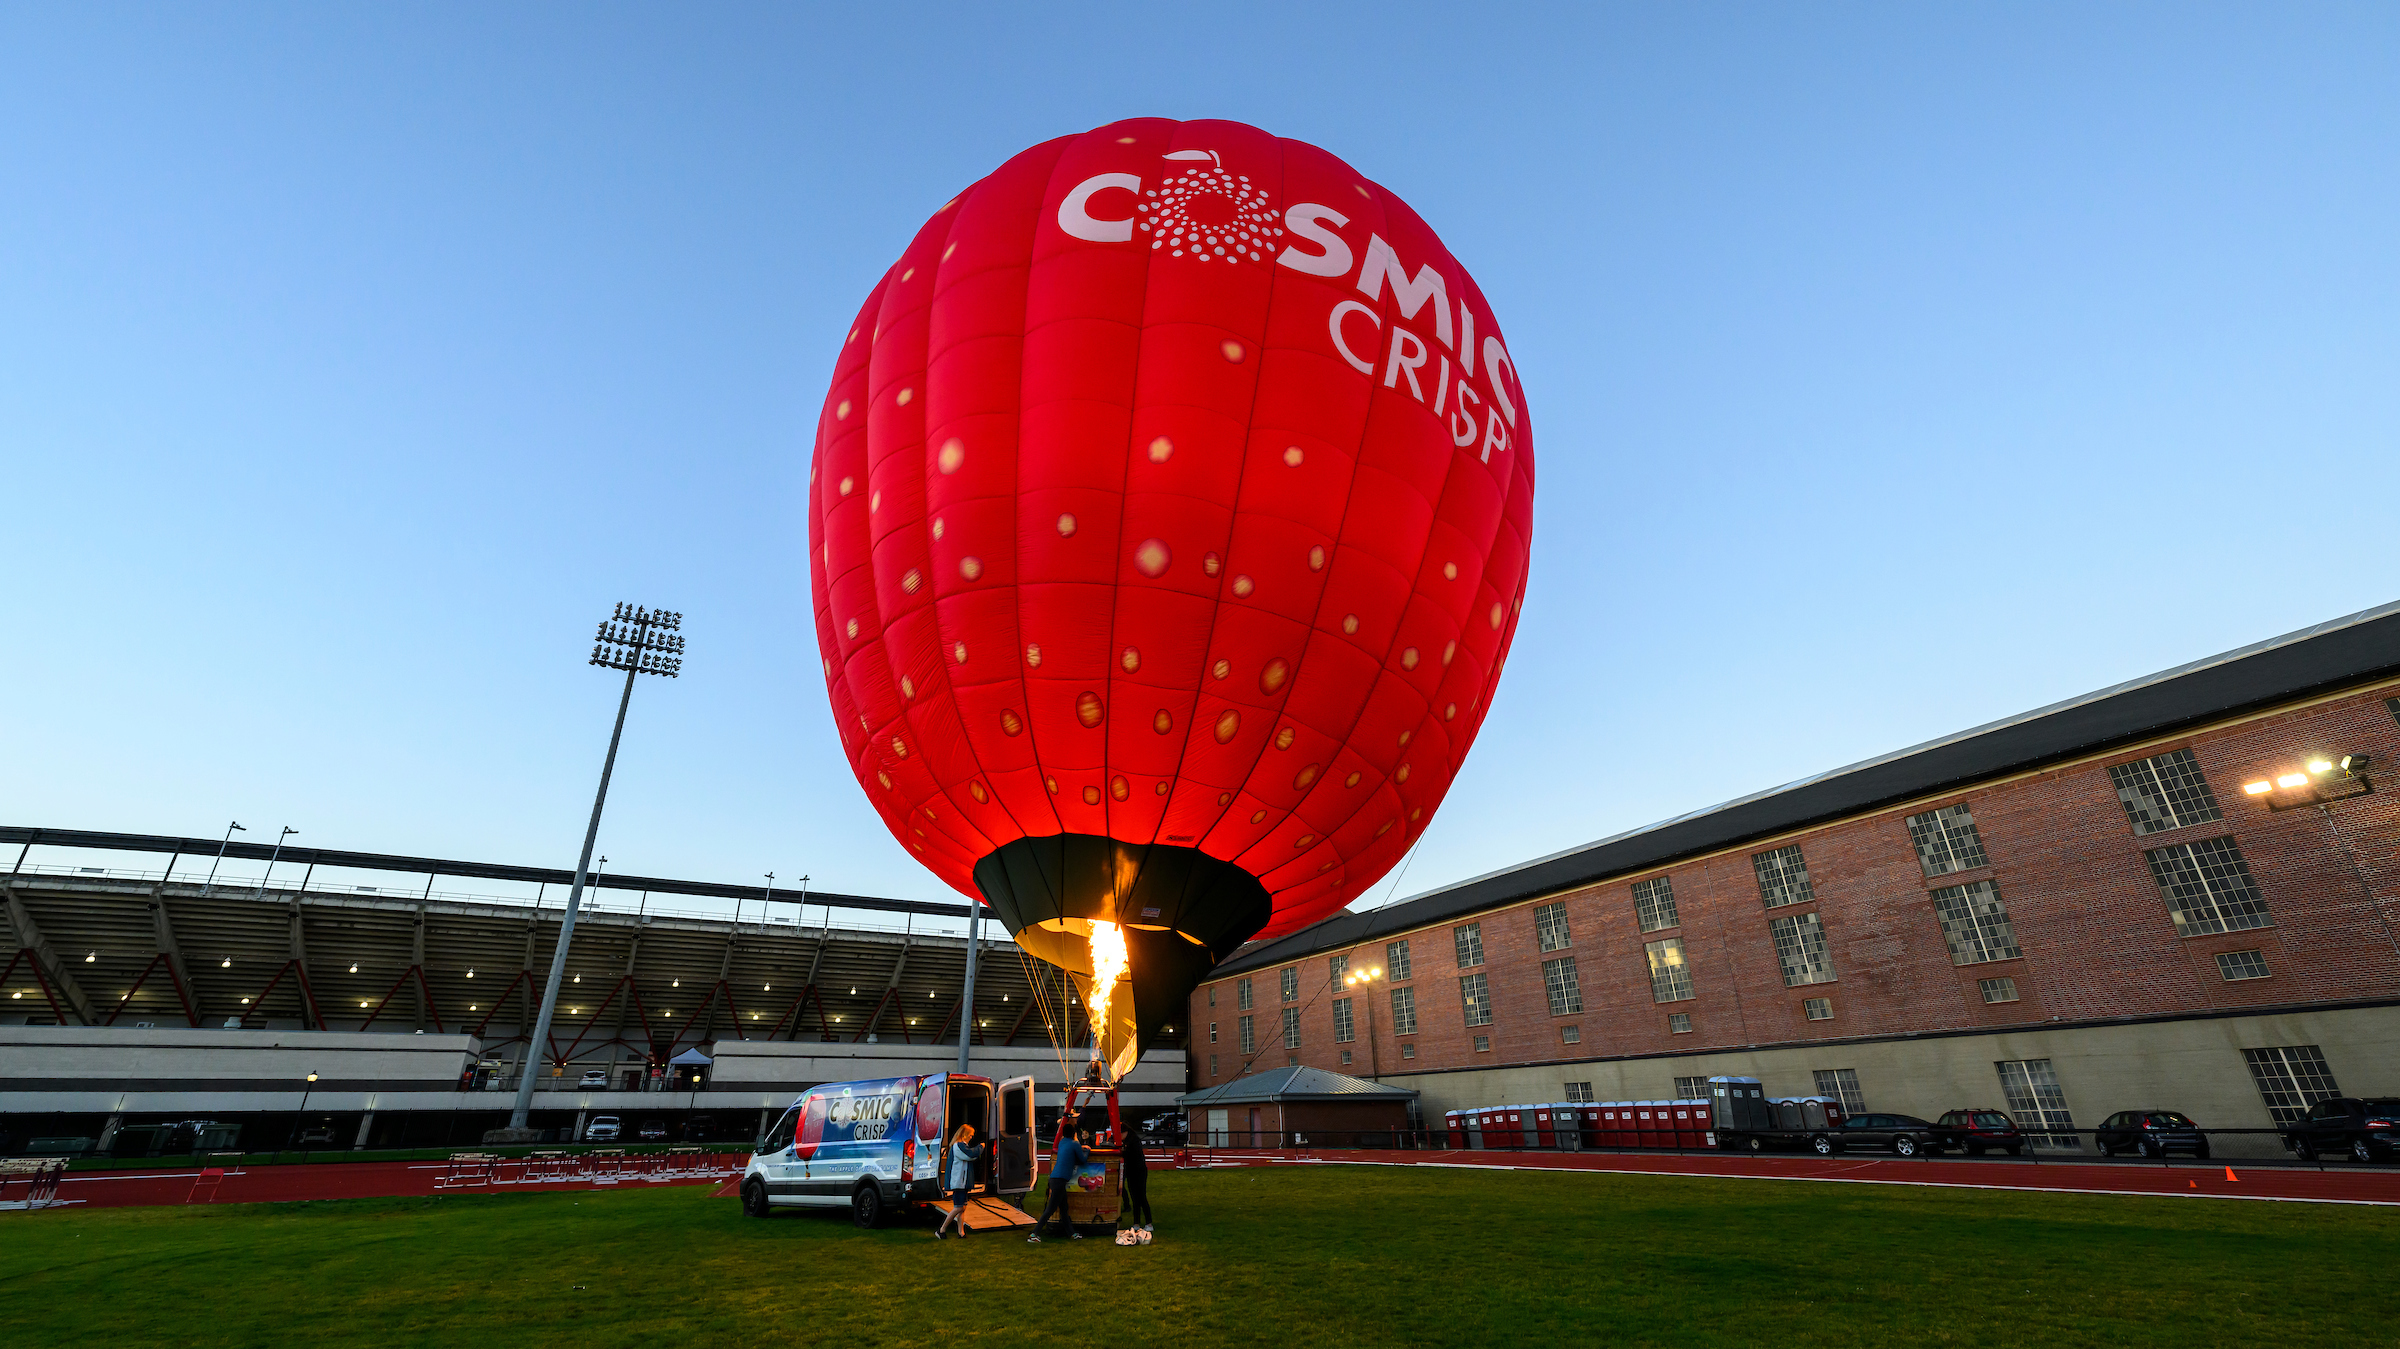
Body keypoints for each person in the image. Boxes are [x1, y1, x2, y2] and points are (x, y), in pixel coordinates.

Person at [1027, 1124, 1089, 1243]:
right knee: (1051, 1209)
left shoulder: (1062, 1143)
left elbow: (1069, 1156)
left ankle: (1072, 1233)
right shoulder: (1075, 1144)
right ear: (1074, 1133)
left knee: (1064, 1208)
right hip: (1060, 1180)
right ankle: (1034, 1233)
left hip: (1055, 1178)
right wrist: (1087, 1151)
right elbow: (1082, 1160)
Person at [934, 1123, 983, 1239]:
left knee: (962, 1207)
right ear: (965, 1134)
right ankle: (942, 1229)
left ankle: (961, 1233)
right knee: (959, 1207)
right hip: (959, 1182)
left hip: (960, 1182)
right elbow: (971, 1154)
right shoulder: (959, 1146)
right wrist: (981, 1146)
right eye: (970, 1135)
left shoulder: (958, 1146)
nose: (972, 1137)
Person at [1120, 1128, 1153, 1238]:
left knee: (1141, 1197)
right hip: (1131, 1172)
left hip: (1139, 1172)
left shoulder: (1133, 1142)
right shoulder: (1129, 1142)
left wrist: (1124, 1150)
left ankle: (1148, 1223)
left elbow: (1131, 1156)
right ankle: (1136, 1223)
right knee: (1135, 1198)